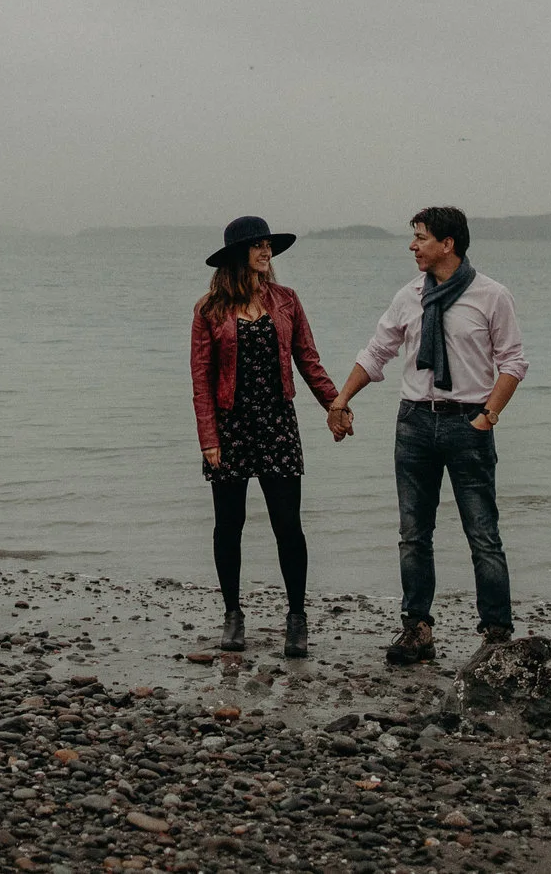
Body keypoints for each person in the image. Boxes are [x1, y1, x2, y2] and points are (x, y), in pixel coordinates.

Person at [326, 205, 527, 665]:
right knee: (414, 534)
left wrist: (488, 416)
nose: (412, 246)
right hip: (414, 422)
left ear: (447, 244)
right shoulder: (409, 296)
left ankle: (496, 633)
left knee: (483, 533)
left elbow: (513, 361)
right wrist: (341, 400)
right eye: (414, 237)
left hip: (468, 422)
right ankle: (417, 628)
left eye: (421, 237)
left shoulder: (492, 296)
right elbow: (377, 351)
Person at [189, 214, 341, 657]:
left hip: (277, 424)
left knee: (288, 525)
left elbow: (308, 360)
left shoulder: (286, 300)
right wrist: (208, 437)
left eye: (267, 245)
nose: (266, 251)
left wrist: (335, 404)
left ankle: (296, 618)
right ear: (238, 254)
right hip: (230, 427)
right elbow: (201, 379)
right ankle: (233, 615)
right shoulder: (209, 309)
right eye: (257, 245)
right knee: (228, 525)